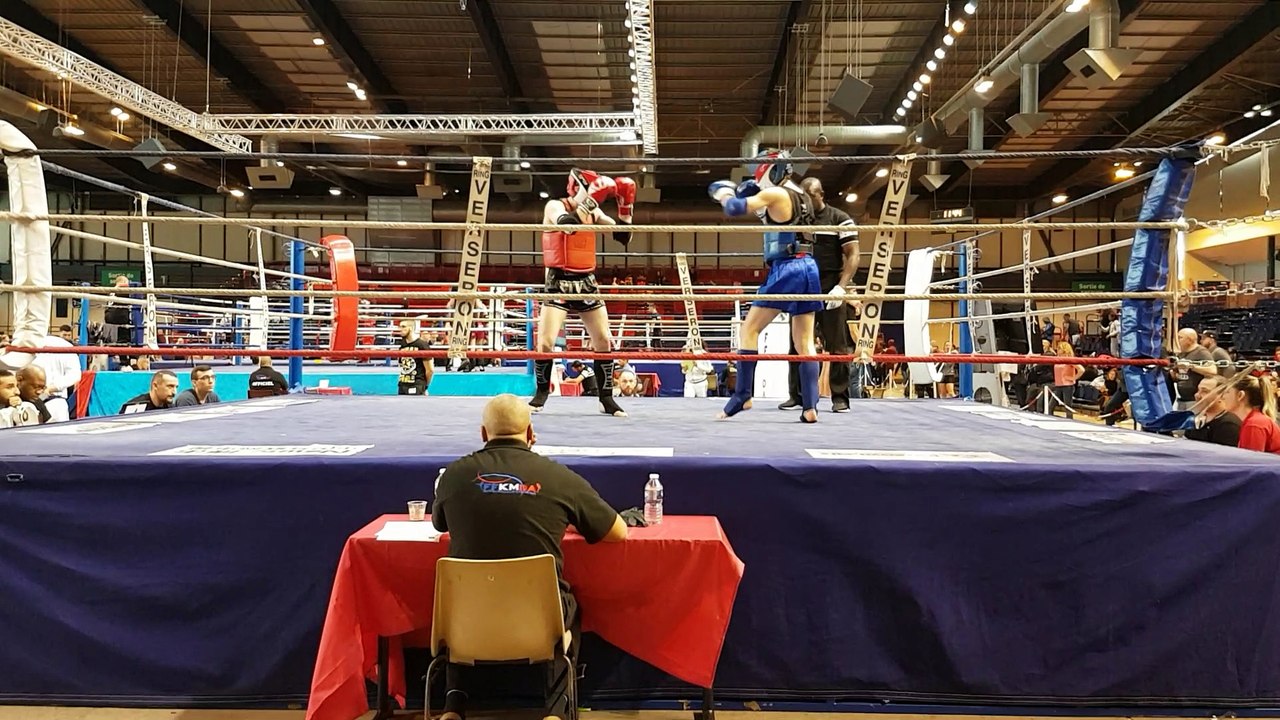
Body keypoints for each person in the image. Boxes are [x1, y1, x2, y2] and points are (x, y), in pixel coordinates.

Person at [432, 394, 627, 720]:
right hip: (540, 621)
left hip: (465, 622)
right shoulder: (559, 477)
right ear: (531, 433)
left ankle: (453, 706)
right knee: (567, 604)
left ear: (483, 434)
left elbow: (440, 523)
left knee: (456, 603)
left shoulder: (453, 475)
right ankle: (556, 711)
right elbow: (617, 532)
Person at [709, 150, 822, 423]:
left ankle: (743, 395)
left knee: (750, 329)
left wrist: (724, 192)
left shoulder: (775, 194)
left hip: (787, 268)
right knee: (804, 341)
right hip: (809, 266)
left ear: (772, 171)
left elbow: (734, 209)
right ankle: (810, 407)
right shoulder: (802, 196)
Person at [529, 169, 636, 417]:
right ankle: (541, 394)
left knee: (604, 340)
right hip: (558, 279)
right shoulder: (554, 206)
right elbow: (566, 226)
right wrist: (590, 202)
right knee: (545, 342)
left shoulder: (594, 212)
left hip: (586, 279)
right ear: (578, 188)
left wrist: (625, 210)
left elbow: (623, 238)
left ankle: (606, 399)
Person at [778, 177, 858, 413]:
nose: (806, 201)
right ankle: (798, 396)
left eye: (810, 196)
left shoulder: (840, 219)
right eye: (802, 197)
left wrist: (842, 287)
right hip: (802, 286)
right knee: (796, 344)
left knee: (837, 345)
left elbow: (853, 255)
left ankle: (840, 397)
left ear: (821, 194)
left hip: (830, 284)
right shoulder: (797, 219)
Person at [32, 324, 81, 422]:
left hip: (53, 401)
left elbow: (75, 374)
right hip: (30, 402)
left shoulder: (64, 345)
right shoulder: (21, 345)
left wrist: (51, 388)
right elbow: (75, 374)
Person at [1221, 374, 1280, 454]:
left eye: (1227, 392)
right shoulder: (1254, 420)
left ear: (1240, 395)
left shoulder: (1254, 424)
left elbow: (1250, 463)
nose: (1222, 397)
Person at [1185, 375, 1242, 447]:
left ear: (1222, 395)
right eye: (1198, 390)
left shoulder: (1228, 424)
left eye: (1205, 391)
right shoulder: (1195, 419)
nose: (1197, 395)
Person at [396, 319, 432, 396]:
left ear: (411, 328)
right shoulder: (402, 345)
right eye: (400, 327)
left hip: (417, 384)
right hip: (403, 384)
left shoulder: (422, 345)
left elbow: (430, 370)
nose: (400, 329)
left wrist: (425, 386)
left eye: (403, 326)